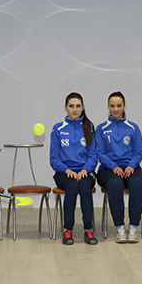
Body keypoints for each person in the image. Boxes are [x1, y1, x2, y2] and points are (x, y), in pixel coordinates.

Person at [96, 91, 142, 244]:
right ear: (108, 107)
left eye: (119, 105)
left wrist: (131, 166)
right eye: (112, 106)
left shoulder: (133, 127)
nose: (115, 109)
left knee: (137, 183)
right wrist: (114, 166)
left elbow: (138, 151)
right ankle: (120, 228)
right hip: (108, 169)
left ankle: (133, 228)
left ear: (124, 106)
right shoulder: (101, 128)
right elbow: (100, 152)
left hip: (131, 168)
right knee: (115, 184)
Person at [50, 92, 98, 245]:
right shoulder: (58, 128)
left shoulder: (89, 127)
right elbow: (54, 158)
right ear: (65, 107)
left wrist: (85, 170)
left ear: (83, 107)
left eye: (78, 106)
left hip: (85, 171)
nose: (75, 109)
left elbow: (93, 156)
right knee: (71, 186)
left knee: (84, 186)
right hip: (64, 172)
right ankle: (68, 229)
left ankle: (88, 230)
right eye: (71, 106)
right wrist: (66, 170)